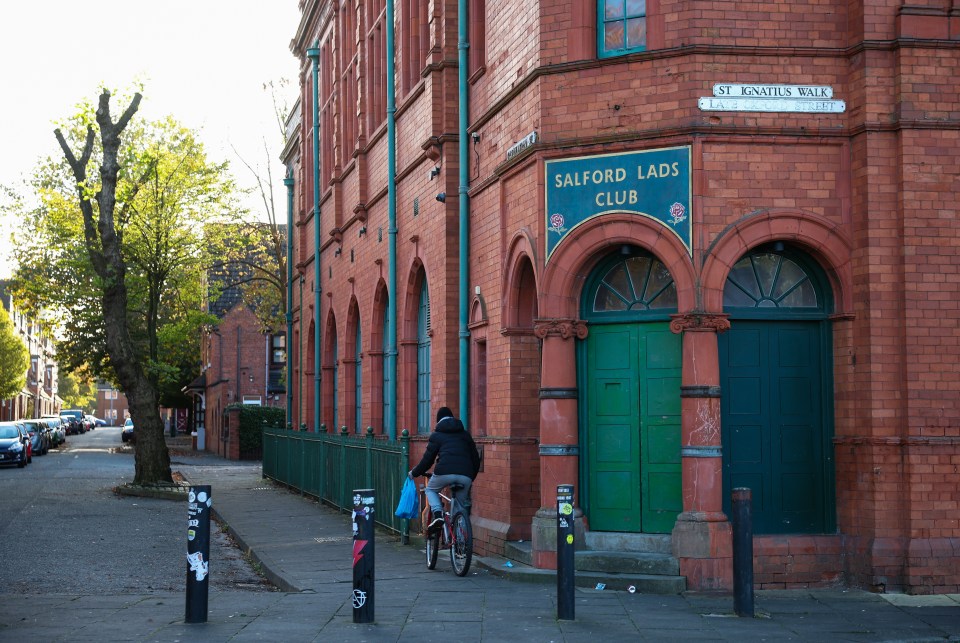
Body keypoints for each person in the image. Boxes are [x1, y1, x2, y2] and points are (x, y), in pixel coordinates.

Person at [408, 407, 481, 532]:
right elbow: (475, 459)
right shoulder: (465, 435)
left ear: (438, 421)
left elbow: (428, 460)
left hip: (444, 472)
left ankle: (437, 515)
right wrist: (470, 477)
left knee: (430, 490)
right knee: (460, 507)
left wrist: (414, 472)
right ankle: (460, 541)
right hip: (466, 474)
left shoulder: (437, 435)